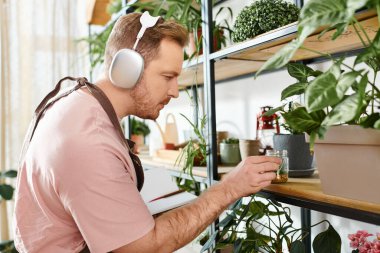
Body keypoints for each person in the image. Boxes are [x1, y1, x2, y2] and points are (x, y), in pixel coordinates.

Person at [13, 12, 281, 253]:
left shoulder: (76, 104)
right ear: (127, 69)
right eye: (167, 76)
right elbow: (143, 249)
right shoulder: (89, 139)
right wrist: (228, 189)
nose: (176, 91)